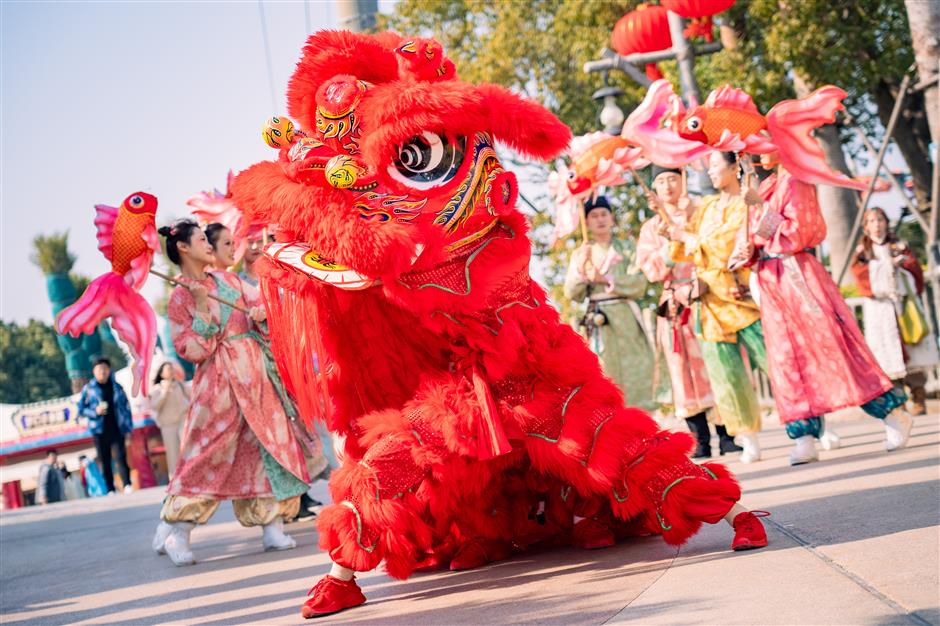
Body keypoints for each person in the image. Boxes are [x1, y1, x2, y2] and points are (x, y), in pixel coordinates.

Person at [729, 158, 912, 465]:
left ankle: (892, 414)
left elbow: (801, 231)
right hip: (771, 279)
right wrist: (749, 250)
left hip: (797, 274)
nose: (757, 152)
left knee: (834, 348)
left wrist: (762, 206)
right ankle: (803, 436)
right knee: (787, 359)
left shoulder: (798, 181)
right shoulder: (767, 185)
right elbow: (750, 237)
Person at [151, 219, 311, 566]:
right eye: (200, 240)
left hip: (255, 380)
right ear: (183, 248)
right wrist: (203, 308)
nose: (208, 245)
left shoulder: (227, 279)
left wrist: (259, 315)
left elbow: (263, 308)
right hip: (218, 388)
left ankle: (271, 525)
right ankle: (178, 529)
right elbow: (192, 349)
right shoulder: (181, 296)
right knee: (205, 455)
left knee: (264, 449)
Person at [206, 222, 326, 520]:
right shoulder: (234, 283)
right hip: (261, 366)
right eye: (246, 242)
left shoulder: (277, 275)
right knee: (284, 429)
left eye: (264, 240)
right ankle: (294, 499)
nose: (256, 247)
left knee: (302, 424)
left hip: (289, 355)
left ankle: (302, 493)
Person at [667, 151, 769, 463]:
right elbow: (684, 253)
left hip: (741, 294)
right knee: (726, 374)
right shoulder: (708, 205)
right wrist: (678, 229)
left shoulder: (748, 201)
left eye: (715, 165)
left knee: (773, 360)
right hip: (709, 300)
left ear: (735, 167)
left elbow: (727, 246)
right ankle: (747, 435)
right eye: (709, 166)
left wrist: (689, 236)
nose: (710, 172)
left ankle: (811, 423)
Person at [637, 166, 740, 458]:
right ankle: (700, 438)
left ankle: (728, 433)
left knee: (717, 363)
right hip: (674, 303)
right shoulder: (651, 228)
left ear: (684, 180)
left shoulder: (703, 213)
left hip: (707, 295)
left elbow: (718, 248)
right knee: (682, 370)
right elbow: (651, 270)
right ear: (654, 189)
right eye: (660, 181)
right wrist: (669, 248)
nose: (668, 185)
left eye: (673, 178)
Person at [563, 195, 670, 412]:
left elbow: (640, 283)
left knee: (638, 369)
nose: (600, 220)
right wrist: (582, 274)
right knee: (605, 372)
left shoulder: (628, 248)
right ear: (586, 222)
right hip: (598, 320)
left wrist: (605, 279)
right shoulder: (581, 253)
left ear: (612, 217)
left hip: (627, 317)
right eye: (594, 216)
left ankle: (645, 421)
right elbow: (571, 293)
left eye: (604, 214)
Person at [851, 207, 937, 417]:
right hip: (880, 309)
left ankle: (918, 396)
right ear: (866, 226)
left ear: (886, 222)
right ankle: (898, 400)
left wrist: (900, 266)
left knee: (913, 350)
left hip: (903, 307)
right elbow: (861, 278)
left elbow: (914, 271)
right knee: (888, 354)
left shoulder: (900, 246)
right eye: (872, 221)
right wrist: (886, 267)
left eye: (880, 219)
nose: (877, 224)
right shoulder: (863, 252)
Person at [77, 358, 134, 494]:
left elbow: (126, 408)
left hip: (117, 427)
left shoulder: (117, 387)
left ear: (109, 370)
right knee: (105, 459)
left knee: (121, 457)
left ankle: (127, 484)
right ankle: (110, 488)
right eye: (99, 369)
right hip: (99, 430)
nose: (102, 372)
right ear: (94, 372)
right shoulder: (89, 389)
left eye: (104, 369)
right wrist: (95, 411)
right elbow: (80, 409)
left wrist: (128, 428)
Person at [147, 362, 189, 477]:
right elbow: (155, 406)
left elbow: (191, 396)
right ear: (161, 373)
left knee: (187, 448)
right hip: (168, 425)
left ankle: (191, 476)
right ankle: (175, 478)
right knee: (173, 453)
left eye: (171, 369)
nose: (171, 371)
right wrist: (164, 393)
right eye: (168, 369)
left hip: (182, 421)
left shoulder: (180, 385)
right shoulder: (157, 389)